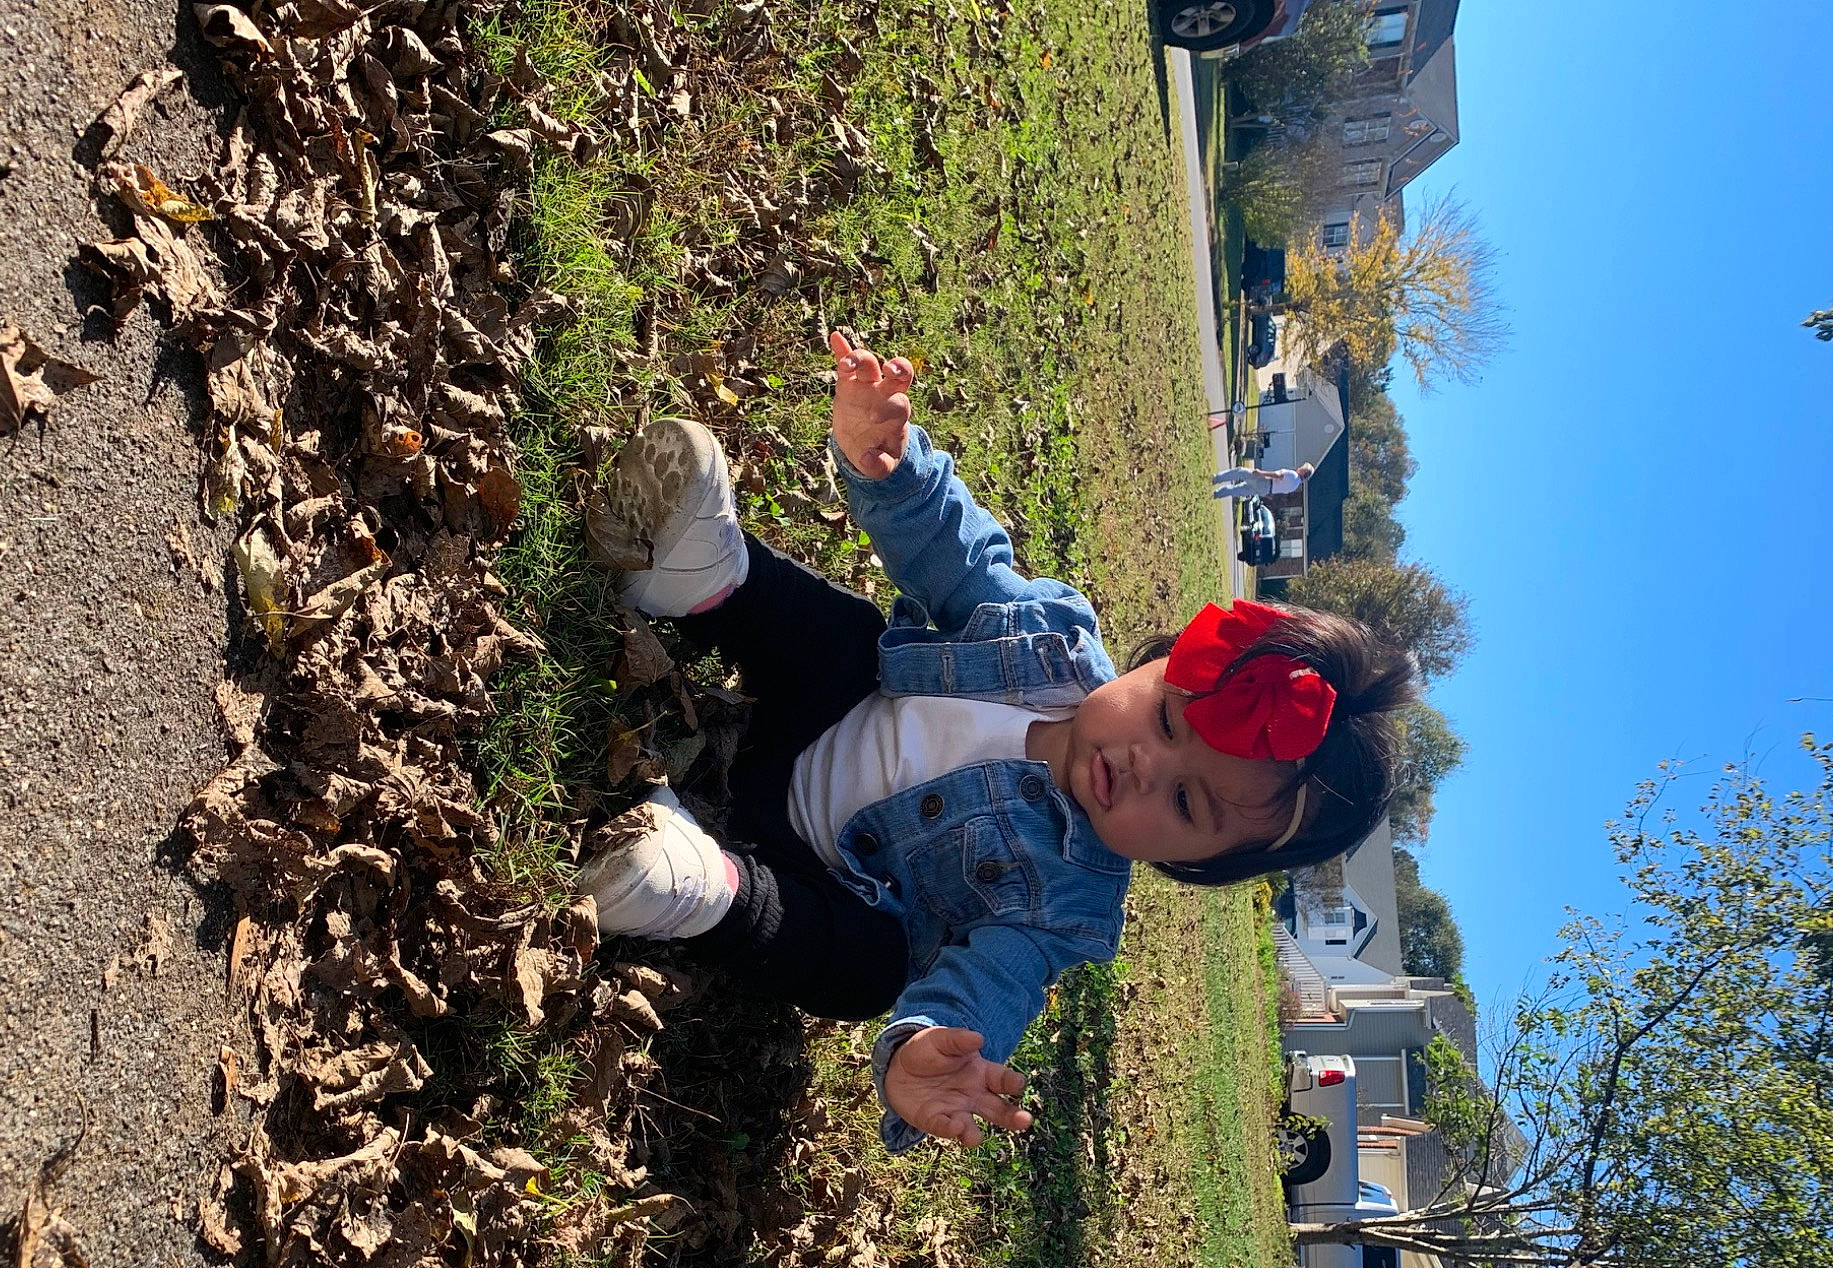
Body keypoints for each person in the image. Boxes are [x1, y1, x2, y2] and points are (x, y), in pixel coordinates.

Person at [578, 334, 1414, 1152]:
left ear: (1200, 863)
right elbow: (959, 556)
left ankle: (700, 887)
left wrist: (930, 1045)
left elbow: (996, 983)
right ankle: (704, 580)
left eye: (1187, 803)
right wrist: (894, 469)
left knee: (867, 969)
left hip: (806, 874)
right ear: (1159, 664)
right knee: (844, 636)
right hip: (814, 709)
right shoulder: (1048, 641)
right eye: (1166, 721)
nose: (1145, 767)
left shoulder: (1068, 905)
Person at [1211, 460, 1315, 501]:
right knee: (1238, 490)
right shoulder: (1295, 486)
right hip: (1265, 490)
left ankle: (1216, 478)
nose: (1300, 467)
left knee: (1240, 472)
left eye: (1302, 467)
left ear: (1303, 472)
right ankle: (1217, 494)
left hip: (1265, 481)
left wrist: (1261, 473)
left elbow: (1277, 475)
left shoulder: (1293, 475)